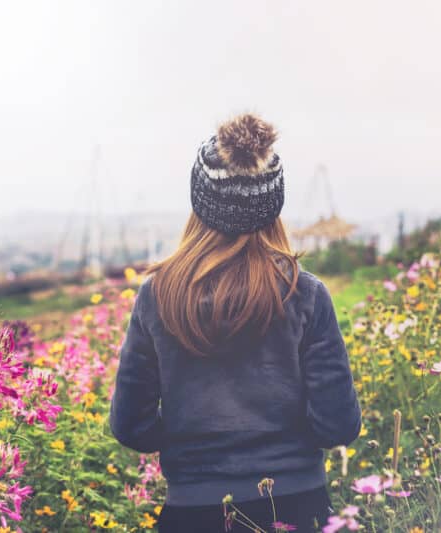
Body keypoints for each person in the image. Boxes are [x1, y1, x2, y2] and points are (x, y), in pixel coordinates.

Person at [109, 113, 362, 533]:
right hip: (299, 510)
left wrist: (187, 447)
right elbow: (338, 425)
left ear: (200, 202)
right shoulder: (305, 294)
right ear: (272, 207)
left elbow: (130, 426)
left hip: (192, 513)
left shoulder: (157, 296)